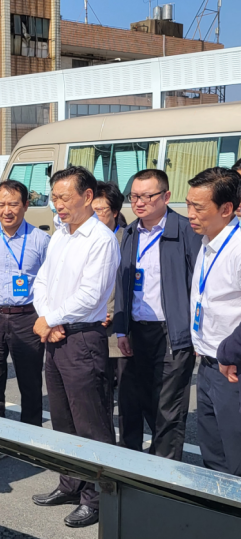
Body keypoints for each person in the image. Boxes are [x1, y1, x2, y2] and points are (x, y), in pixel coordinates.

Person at [32, 166, 120, 528]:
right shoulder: (61, 235)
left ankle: (97, 498)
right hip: (55, 336)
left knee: (91, 423)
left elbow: (91, 295)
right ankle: (70, 483)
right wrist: (47, 319)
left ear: (87, 196)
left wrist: (51, 318)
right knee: (63, 418)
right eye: (54, 197)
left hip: (83, 339)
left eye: (64, 197)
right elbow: (42, 280)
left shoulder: (101, 239)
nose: (58, 204)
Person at [113, 169, 201, 461]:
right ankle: (140, 467)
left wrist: (195, 333)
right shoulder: (129, 233)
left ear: (166, 196)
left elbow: (200, 286)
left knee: (169, 408)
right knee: (139, 401)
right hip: (137, 330)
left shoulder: (186, 231)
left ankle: (164, 475)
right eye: (134, 196)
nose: (139, 202)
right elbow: (122, 283)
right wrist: (122, 329)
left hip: (172, 331)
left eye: (147, 196)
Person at [0, 180, 50, 466]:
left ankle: (31, 439)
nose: (7, 210)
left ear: (26, 205)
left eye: (14, 204)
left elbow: (48, 281)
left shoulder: (41, 240)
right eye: (1, 204)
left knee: (30, 380)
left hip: (27, 317)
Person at [187, 167, 241, 476]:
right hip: (207, 364)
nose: (190, 214)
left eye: (198, 207)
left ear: (226, 208)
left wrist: (230, 352)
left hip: (232, 369)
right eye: (188, 204)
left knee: (236, 458)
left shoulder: (237, 247)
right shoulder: (208, 241)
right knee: (214, 456)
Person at [93, 182, 129, 384]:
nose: (94, 215)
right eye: (91, 210)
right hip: (90, 323)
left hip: (118, 326)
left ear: (115, 211)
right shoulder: (83, 240)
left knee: (125, 387)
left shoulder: (127, 240)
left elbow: (128, 283)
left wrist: (110, 312)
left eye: (100, 210)